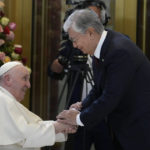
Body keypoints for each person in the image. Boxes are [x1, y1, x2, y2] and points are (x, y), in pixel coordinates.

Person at [57, 8, 150, 150]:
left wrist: (77, 119)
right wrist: (81, 106)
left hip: (138, 129)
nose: (74, 45)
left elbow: (110, 96)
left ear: (90, 32)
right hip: (123, 127)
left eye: (75, 40)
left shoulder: (119, 51)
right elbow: (99, 88)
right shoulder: (104, 45)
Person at [48, 1, 115, 150]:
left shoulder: (111, 47)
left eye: (94, 17)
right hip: (78, 111)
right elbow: (53, 72)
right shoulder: (73, 44)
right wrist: (62, 59)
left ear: (103, 20)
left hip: (105, 116)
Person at [0, 61, 76, 150]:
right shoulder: (2, 99)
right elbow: (24, 134)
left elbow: (30, 128)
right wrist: (58, 127)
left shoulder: (7, 99)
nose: (28, 85)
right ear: (8, 79)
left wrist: (60, 126)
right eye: (24, 78)